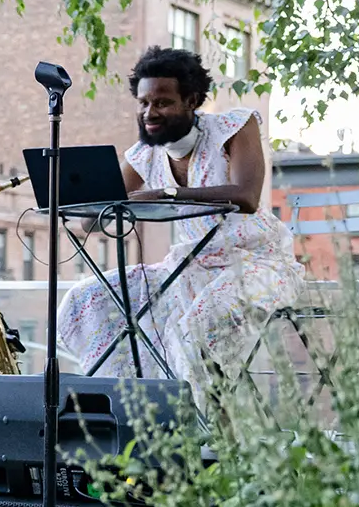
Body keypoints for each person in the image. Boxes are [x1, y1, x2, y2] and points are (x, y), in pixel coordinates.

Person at [57, 45, 306, 396]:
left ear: (191, 100)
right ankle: (133, 406)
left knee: (203, 319)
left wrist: (166, 195)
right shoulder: (145, 154)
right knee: (90, 298)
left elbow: (247, 196)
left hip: (258, 264)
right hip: (190, 266)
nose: (149, 112)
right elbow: (90, 224)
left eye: (161, 102)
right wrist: (79, 188)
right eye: (143, 103)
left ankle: (204, 424)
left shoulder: (233, 127)